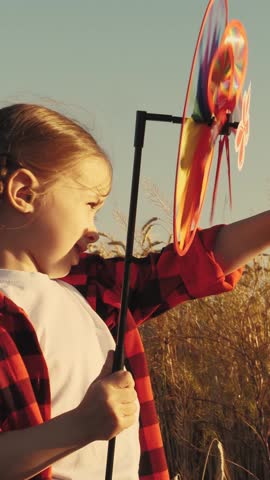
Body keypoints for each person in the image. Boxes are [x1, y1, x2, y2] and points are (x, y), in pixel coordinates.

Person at [0, 103, 269, 480]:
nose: (95, 228)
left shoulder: (95, 291)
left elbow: (192, 264)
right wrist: (80, 426)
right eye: (90, 205)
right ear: (24, 193)